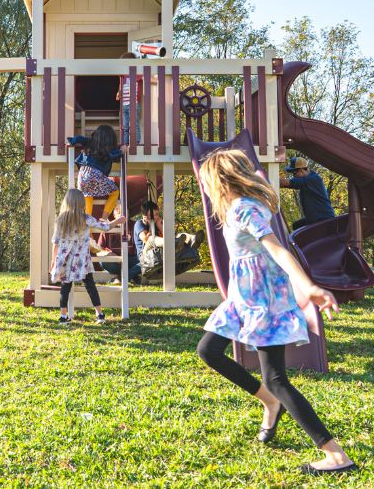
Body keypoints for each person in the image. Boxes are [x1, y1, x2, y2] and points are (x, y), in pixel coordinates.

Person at [196, 148, 357, 476]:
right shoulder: (243, 203)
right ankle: (269, 401)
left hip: (264, 301)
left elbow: (278, 249)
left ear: (223, 181)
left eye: (210, 182)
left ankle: (335, 453)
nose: (209, 189)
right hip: (244, 298)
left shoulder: (243, 209)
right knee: (209, 350)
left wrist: (309, 286)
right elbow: (257, 177)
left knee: (277, 378)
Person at [50, 189, 124, 324]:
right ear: (81, 203)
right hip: (81, 261)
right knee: (90, 285)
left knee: (65, 288)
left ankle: (63, 317)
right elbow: (104, 227)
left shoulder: (60, 220)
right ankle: (100, 314)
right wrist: (117, 221)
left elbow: (55, 242)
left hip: (65, 260)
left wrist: (53, 260)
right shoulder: (86, 218)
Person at [131, 200, 205, 281]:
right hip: (146, 254)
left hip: (160, 250)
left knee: (179, 235)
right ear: (145, 216)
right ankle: (173, 243)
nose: (157, 217)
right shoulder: (139, 224)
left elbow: (168, 235)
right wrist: (151, 225)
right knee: (152, 238)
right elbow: (146, 239)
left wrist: (160, 226)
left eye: (157, 214)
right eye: (154, 215)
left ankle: (192, 240)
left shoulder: (157, 222)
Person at [67, 125, 124, 221]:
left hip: (82, 174)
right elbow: (114, 156)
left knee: (87, 196)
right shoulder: (108, 149)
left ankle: (87, 227)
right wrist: (122, 151)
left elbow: (79, 138)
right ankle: (104, 217)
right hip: (95, 174)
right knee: (115, 192)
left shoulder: (89, 142)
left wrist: (72, 141)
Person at [280, 156, 336, 231]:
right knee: (296, 226)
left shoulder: (311, 179)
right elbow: (284, 184)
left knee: (299, 229)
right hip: (314, 219)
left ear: (301, 170)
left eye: (294, 173)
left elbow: (285, 182)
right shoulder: (306, 181)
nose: (293, 176)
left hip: (324, 220)